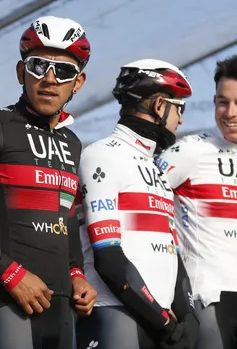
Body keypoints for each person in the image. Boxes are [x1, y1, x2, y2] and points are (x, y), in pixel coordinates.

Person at [0, 16, 98, 349]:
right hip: (4, 299)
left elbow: (67, 219)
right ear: (20, 72)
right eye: (38, 66)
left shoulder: (72, 143)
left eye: (64, 71)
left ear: (79, 82)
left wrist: (77, 274)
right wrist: (8, 272)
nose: (50, 79)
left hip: (62, 305)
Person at [76, 59, 199, 349]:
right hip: (116, 315)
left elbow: (170, 249)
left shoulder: (155, 168)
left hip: (157, 320)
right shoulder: (102, 155)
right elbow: (109, 257)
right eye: (179, 109)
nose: (181, 120)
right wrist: (163, 321)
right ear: (159, 105)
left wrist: (187, 314)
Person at [158, 55, 237, 348]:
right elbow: (142, 200)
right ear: (214, 101)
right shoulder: (188, 151)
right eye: (223, 102)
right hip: (204, 297)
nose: (230, 112)